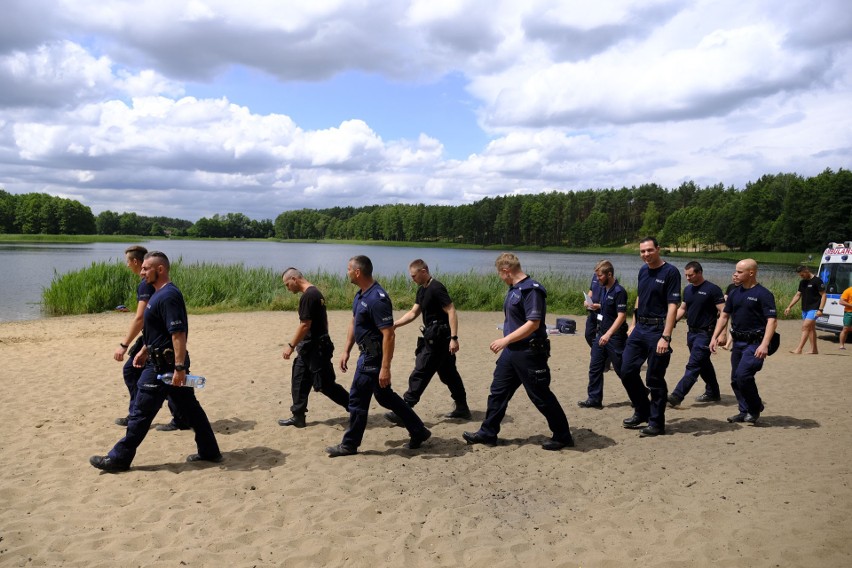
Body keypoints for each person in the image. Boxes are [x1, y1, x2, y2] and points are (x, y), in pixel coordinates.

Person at [90, 251, 222, 471]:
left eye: (145, 268)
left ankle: (119, 459)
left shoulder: (169, 295)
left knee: (141, 412)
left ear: (159, 270)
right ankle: (210, 451)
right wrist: (143, 350)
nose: (141, 272)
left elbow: (178, 334)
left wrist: (179, 368)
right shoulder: (158, 294)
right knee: (191, 410)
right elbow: (157, 332)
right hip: (158, 360)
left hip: (165, 366)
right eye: (141, 268)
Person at [462, 253, 574, 451]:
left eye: (500, 274)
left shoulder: (532, 290)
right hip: (512, 353)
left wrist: (505, 340)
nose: (500, 278)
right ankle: (488, 433)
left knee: (540, 395)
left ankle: (563, 435)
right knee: (498, 391)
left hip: (529, 352)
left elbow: (533, 324)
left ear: (506, 271)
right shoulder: (514, 290)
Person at [326, 255, 432, 457]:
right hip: (363, 353)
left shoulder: (377, 298)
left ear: (357, 272)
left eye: (348, 268)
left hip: (373, 358)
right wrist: (346, 349)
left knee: (357, 399)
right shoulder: (360, 295)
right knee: (385, 396)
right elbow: (354, 322)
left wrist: (385, 368)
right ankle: (419, 430)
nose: (346, 272)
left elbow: (389, 334)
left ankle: (349, 445)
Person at [385, 259, 471, 424]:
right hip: (433, 337)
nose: (413, 279)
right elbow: (413, 312)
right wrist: (395, 324)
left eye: (414, 276)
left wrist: (454, 338)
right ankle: (462, 408)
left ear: (423, 271)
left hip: (440, 339)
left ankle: (405, 410)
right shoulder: (422, 290)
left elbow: (451, 310)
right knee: (449, 374)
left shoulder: (437, 288)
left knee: (421, 371)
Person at [112, 245, 187, 431]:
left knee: (137, 372)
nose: (128, 266)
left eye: (128, 262)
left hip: (155, 340)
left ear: (135, 261)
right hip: (154, 340)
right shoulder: (151, 284)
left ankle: (136, 415)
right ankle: (180, 418)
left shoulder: (146, 286)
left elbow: (140, 318)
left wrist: (124, 345)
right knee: (167, 380)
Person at [620, 237, 681, 437]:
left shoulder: (670, 272)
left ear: (658, 249)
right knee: (626, 371)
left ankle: (656, 423)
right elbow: (640, 297)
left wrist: (666, 336)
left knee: (654, 378)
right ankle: (642, 410)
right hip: (640, 328)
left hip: (658, 330)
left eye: (649, 250)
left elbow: (673, 306)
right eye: (642, 251)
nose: (646, 254)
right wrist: (633, 323)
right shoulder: (642, 270)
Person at [277, 268, 349, 428]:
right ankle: (298, 416)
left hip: (316, 349)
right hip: (308, 348)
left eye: (287, 284)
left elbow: (304, 325)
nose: (287, 288)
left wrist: (290, 346)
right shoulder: (315, 293)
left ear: (294, 279)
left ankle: (354, 407)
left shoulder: (309, 296)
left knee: (326, 384)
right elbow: (324, 320)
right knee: (299, 379)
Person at [710, 259, 777, 424]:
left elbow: (772, 321)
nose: (735, 274)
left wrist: (764, 344)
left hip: (755, 342)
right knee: (735, 379)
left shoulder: (764, 294)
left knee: (743, 376)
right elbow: (724, 316)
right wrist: (715, 336)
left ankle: (754, 408)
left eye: (739, 272)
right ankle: (743, 410)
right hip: (738, 343)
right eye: (736, 271)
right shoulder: (734, 292)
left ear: (751, 273)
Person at [667, 262, 725, 407]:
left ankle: (677, 395)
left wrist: (722, 334)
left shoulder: (713, 289)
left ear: (700, 273)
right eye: (686, 275)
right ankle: (713, 392)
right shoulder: (687, 290)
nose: (687, 278)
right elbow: (683, 308)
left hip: (705, 334)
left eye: (690, 275)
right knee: (703, 364)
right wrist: (671, 323)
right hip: (691, 333)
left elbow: (724, 312)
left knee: (694, 365)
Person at [577, 260, 628, 409]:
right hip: (601, 333)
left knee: (622, 370)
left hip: (615, 336)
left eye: (599, 276)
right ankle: (594, 399)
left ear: (609, 274)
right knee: (595, 367)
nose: (597, 279)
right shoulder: (604, 288)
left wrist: (609, 334)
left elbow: (621, 316)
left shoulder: (619, 291)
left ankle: (640, 392)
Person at [784, 266, 826, 354]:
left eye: (802, 275)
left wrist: (820, 309)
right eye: (800, 275)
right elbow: (798, 295)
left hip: (814, 308)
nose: (801, 277)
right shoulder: (802, 282)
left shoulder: (817, 281)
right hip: (805, 309)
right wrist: (789, 307)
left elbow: (824, 295)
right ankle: (814, 350)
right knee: (811, 328)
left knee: (805, 327)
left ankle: (799, 349)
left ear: (806, 271)